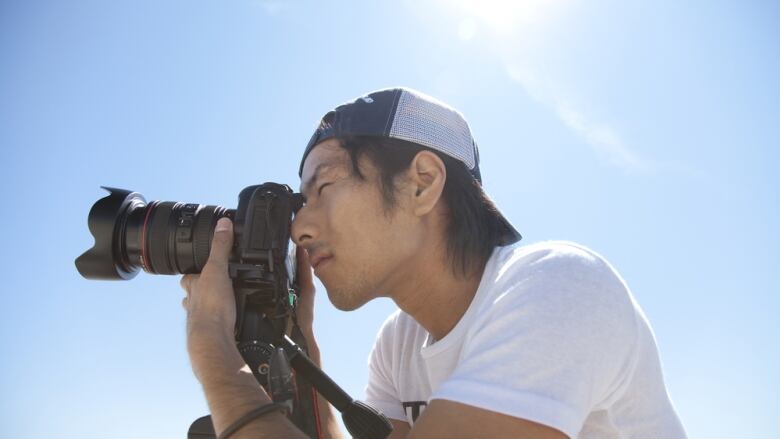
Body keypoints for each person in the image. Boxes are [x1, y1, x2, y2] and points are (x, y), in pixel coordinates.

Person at [180, 87, 687, 438]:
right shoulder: (398, 346)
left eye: (325, 186)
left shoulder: (559, 285)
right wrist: (303, 347)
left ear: (422, 181)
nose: (299, 227)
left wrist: (214, 353)